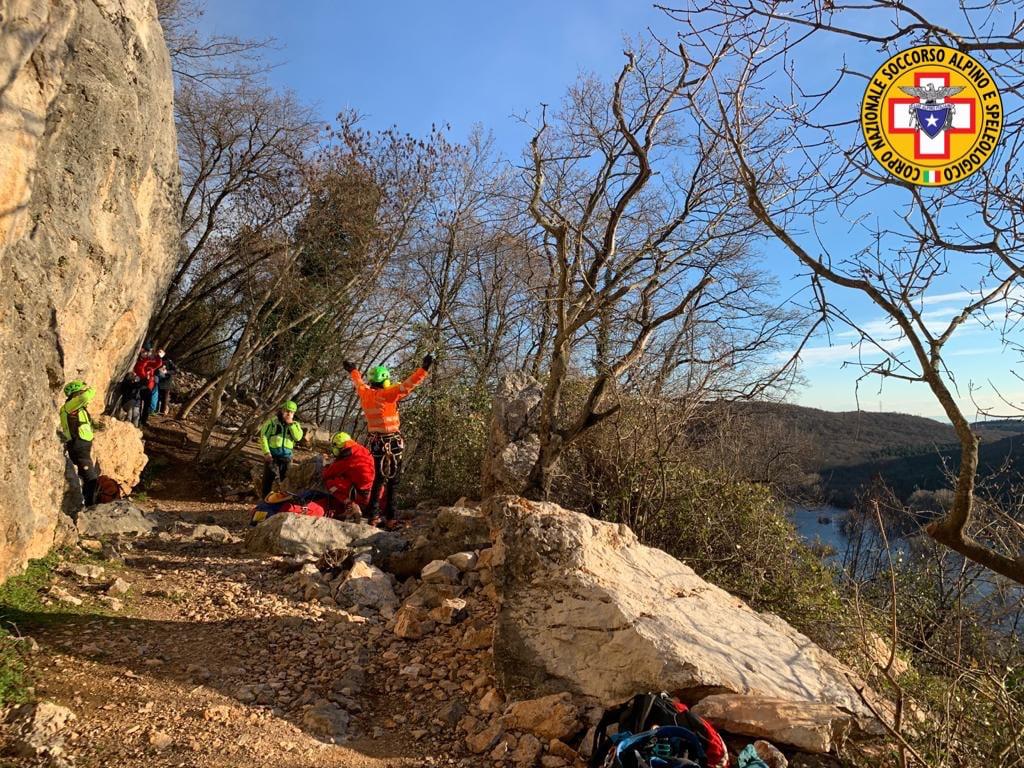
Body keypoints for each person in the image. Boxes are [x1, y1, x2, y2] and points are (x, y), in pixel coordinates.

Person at [343, 354, 432, 528]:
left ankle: (374, 515)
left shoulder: (365, 394)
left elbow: (358, 383)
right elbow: (408, 385)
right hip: (391, 443)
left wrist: (353, 370)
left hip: (376, 442)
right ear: (384, 381)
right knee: (393, 480)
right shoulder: (388, 394)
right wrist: (424, 369)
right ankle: (391, 517)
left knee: (378, 478)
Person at [59, 380, 99, 508]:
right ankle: (91, 505)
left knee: (86, 476)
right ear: (75, 394)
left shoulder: (74, 407)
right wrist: (90, 388)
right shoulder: (70, 406)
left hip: (81, 445)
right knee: (90, 477)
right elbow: (87, 395)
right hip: (79, 445)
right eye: (81, 391)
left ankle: (88, 502)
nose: (84, 395)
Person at [322, 431, 376, 519]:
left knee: (330, 484)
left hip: (363, 496)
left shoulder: (346, 456)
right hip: (374, 492)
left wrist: (326, 465)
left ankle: (351, 506)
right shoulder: (360, 449)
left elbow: (327, 474)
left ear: (338, 446)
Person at [258, 401, 304, 497]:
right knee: (268, 479)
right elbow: (263, 436)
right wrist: (266, 452)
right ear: (282, 410)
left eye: (291, 412)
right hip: (272, 455)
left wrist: (290, 425)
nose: (289, 414)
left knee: (286, 479)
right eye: (287, 411)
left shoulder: (295, 425)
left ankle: (283, 499)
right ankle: (264, 499)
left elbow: (298, 437)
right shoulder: (272, 422)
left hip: (286, 456)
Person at [132, 342, 162, 426]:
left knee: (147, 405)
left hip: (149, 386)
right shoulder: (141, 362)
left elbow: (158, 364)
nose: (148, 354)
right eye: (146, 352)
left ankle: (143, 421)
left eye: (148, 352)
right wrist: (148, 359)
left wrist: (158, 357)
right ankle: (138, 421)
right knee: (140, 404)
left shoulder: (148, 362)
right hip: (142, 386)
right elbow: (141, 370)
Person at [156, 350, 177, 415]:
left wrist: (167, 372)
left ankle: (163, 411)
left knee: (165, 398)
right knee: (157, 396)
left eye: (160, 352)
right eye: (158, 352)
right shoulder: (156, 359)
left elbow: (175, 370)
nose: (159, 353)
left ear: (164, 353)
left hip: (167, 381)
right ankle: (155, 410)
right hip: (158, 380)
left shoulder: (169, 361)